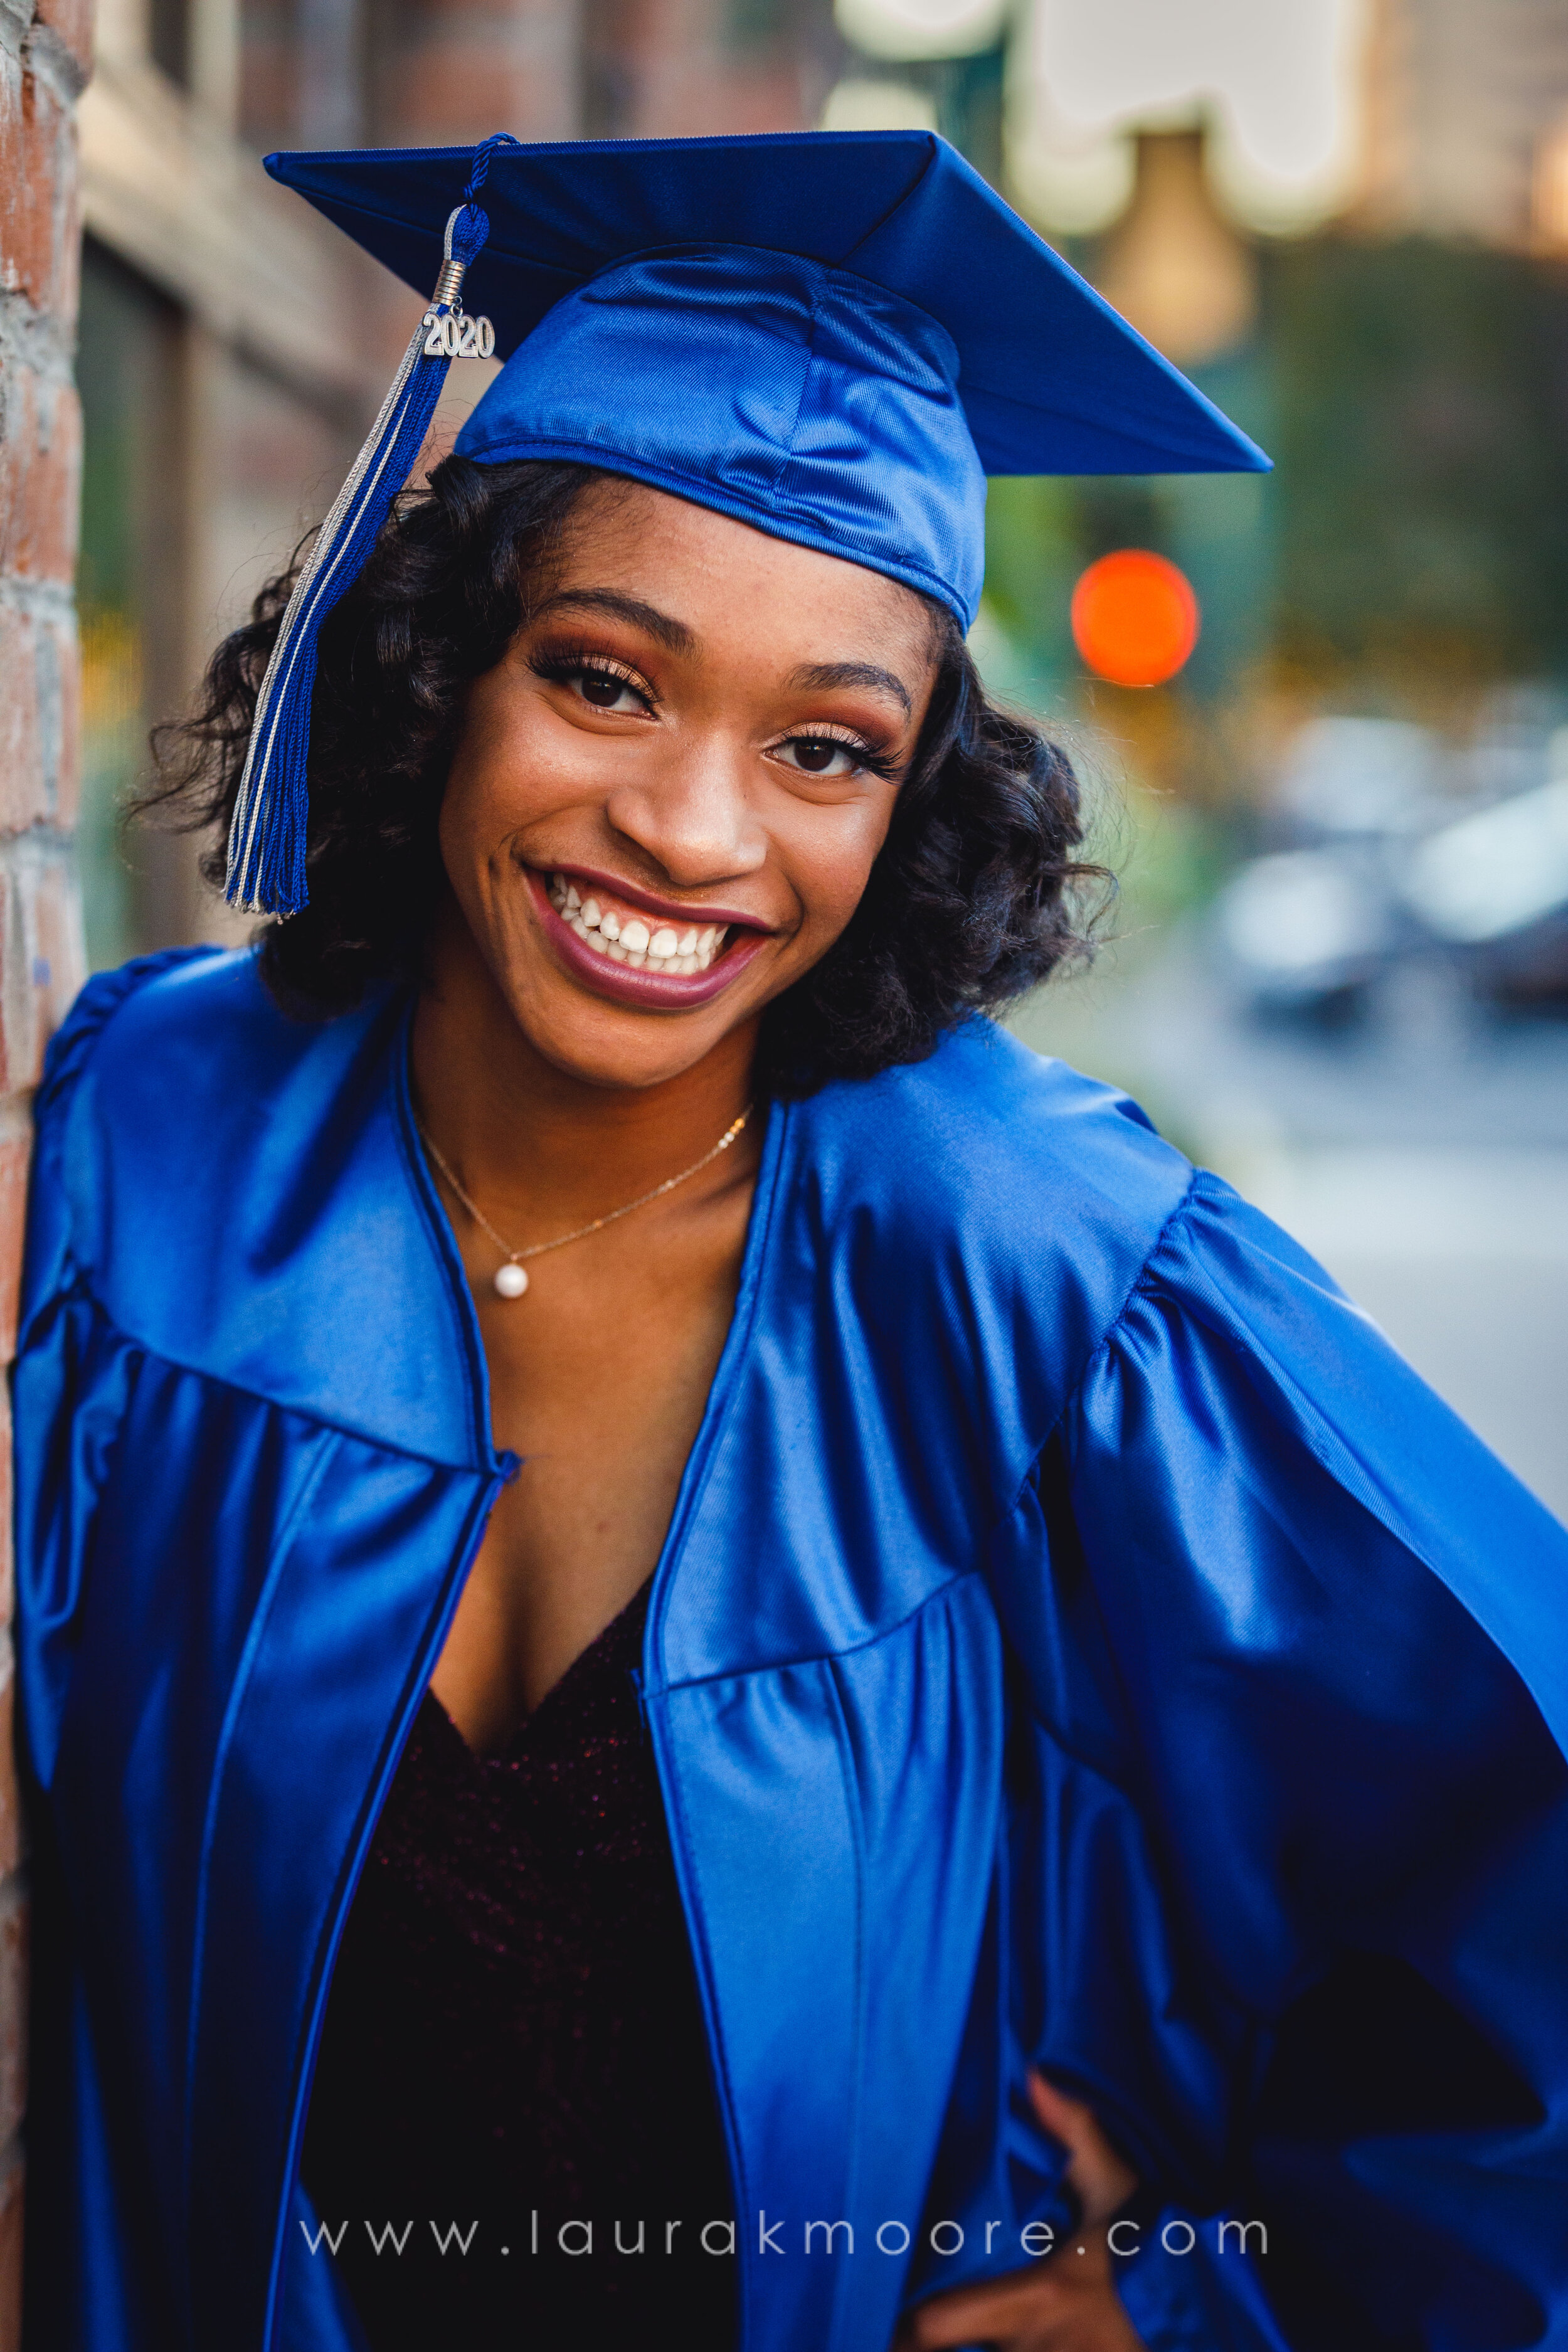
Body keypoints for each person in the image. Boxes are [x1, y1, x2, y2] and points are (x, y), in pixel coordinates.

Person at [14, 128, 1568, 2352]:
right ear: (441, 666)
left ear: (913, 793)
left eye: (826, 748)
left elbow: (1504, 1821)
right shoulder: (135, 1146)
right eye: (606, 680)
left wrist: (1207, 2292)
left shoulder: (1037, 1264)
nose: (694, 827)